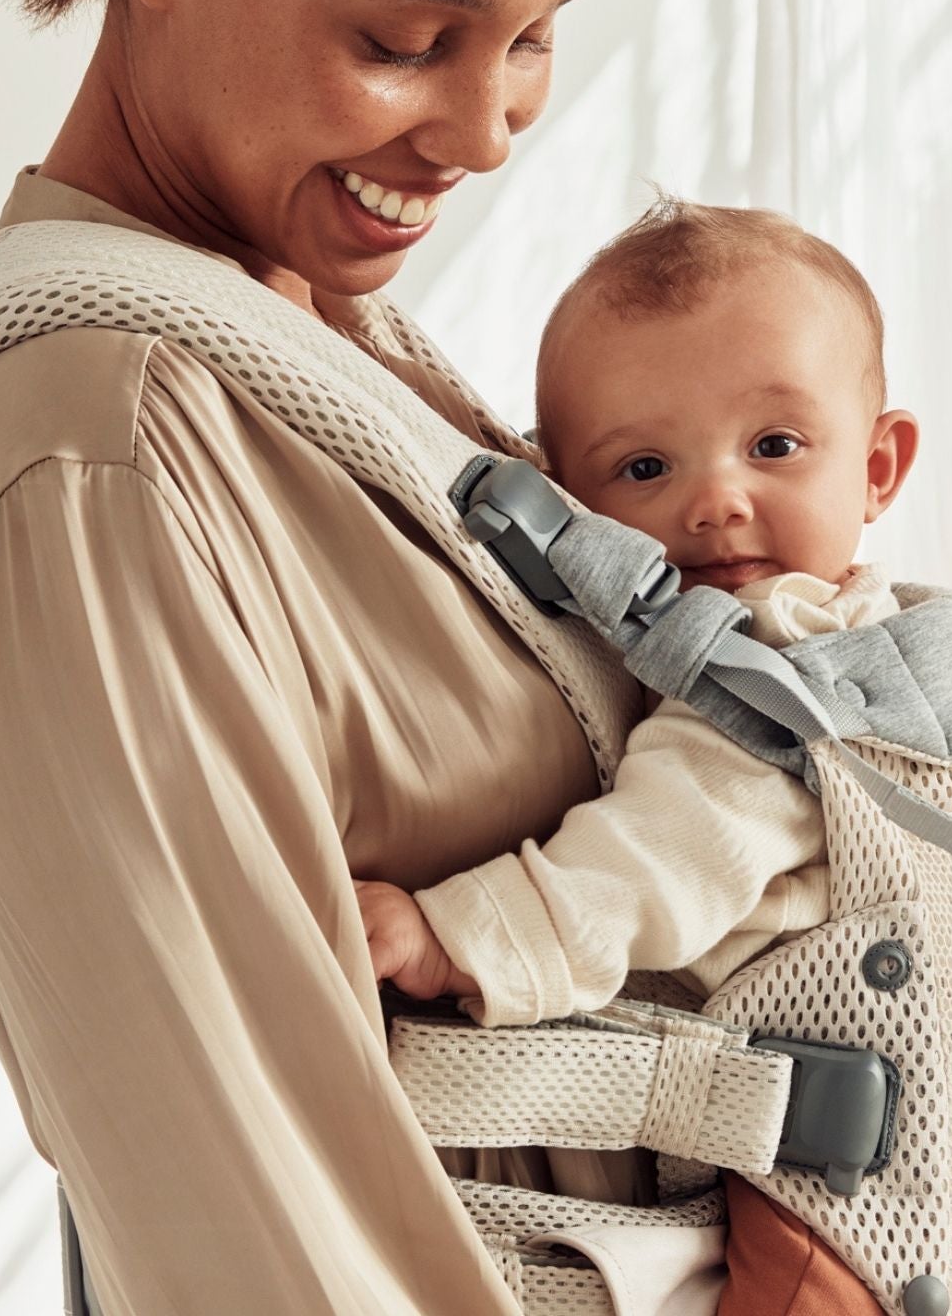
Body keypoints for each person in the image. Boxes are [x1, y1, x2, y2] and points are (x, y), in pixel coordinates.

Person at [0, 0, 628, 1316]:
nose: (486, 132)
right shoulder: (94, 458)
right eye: (409, 38)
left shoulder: (336, 356)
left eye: (537, 36)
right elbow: (267, 1246)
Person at [356, 197, 919, 1315]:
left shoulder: (782, 674)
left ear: (879, 465)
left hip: (832, 1187)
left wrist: (456, 938)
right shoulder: (847, 634)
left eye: (774, 447)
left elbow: (665, 856)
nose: (714, 502)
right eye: (645, 468)